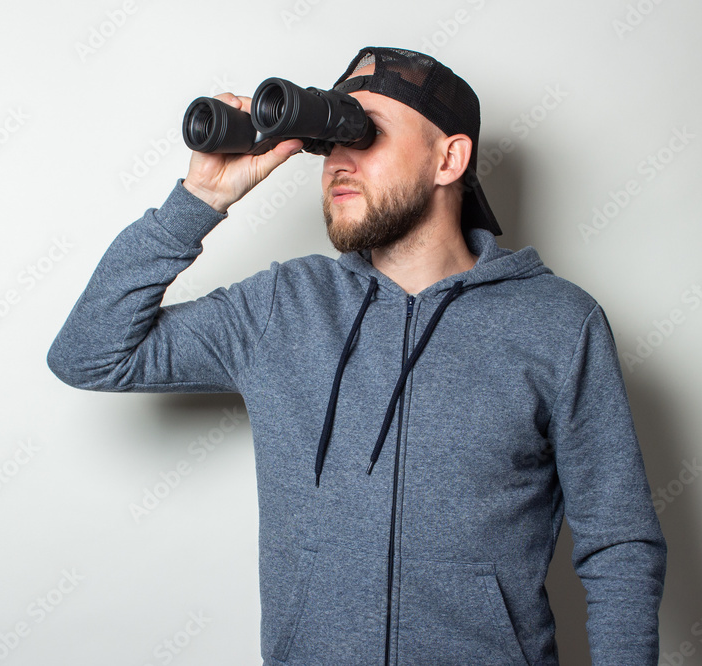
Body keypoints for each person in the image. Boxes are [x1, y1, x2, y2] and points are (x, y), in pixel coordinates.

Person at [47, 47, 667, 665]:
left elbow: (619, 545)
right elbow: (89, 354)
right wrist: (200, 198)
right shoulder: (283, 307)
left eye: (365, 133)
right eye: (330, 138)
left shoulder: (556, 322)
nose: (338, 160)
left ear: (449, 158)